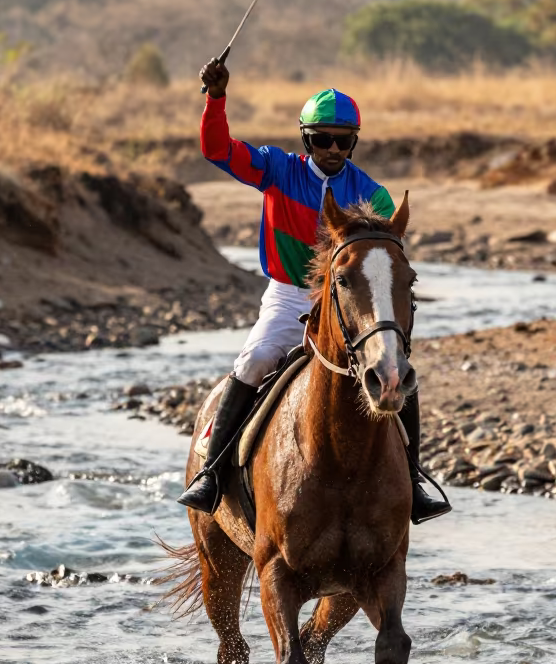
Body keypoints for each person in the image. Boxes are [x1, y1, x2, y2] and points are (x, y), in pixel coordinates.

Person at [178, 58, 449, 524]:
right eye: (321, 138)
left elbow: (382, 256)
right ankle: (213, 474)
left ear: (353, 142)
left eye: (342, 140)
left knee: (398, 369)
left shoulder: (373, 194)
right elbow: (217, 149)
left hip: (349, 298)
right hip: (290, 294)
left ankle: (414, 478)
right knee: (255, 361)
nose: (332, 148)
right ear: (307, 139)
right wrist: (216, 99)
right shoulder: (276, 170)